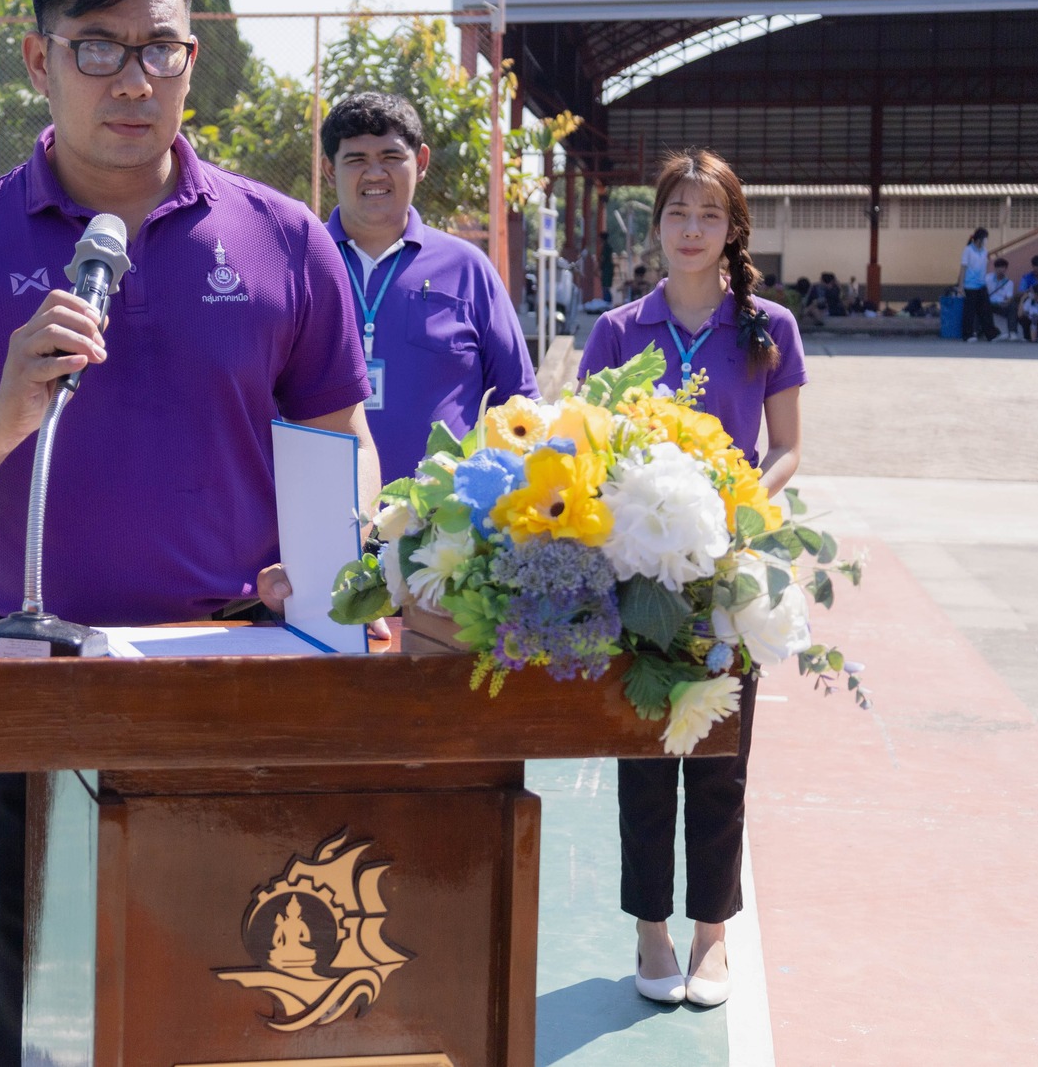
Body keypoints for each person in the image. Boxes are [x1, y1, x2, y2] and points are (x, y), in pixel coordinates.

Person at [0, 0, 376, 1066]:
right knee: (27, 1021)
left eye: (158, 49)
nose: (131, 80)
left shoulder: (283, 239)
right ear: (37, 59)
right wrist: (1, 416)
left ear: (192, 56)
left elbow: (340, 436)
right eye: (96, 46)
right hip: (23, 686)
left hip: (231, 675)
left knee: (238, 1005)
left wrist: (332, 564)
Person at [577, 149, 805, 1011]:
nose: (691, 230)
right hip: (637, 570)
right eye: (677, 212)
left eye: (709, 215)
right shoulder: (616, 329)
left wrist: (739, 501)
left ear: (731, 229)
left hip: (726, 570)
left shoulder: (768, 328)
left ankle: (713, 934)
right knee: (644, 752)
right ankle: (650, 928)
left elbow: (786, 447)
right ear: (656, 223)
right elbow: (589, 443)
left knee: (719, 758)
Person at [314, 91, 536, 482]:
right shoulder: (297, 264)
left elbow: (519, 402)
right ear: (330, 170)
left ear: (421, 162)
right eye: (356, 160)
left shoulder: (467, 269)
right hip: (321, 513)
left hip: (441, 527)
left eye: (391, 157)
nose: (375, 174)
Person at [957, 227, 995, 341]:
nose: (986, 241)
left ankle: (991, 334)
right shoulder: (968, 250)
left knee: (986, 311)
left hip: (982, 285)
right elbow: (963, 268)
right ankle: (967, 335)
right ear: (979, 239)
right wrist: (960, 286)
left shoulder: (985, 251)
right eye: (985, 238)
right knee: (969, 311)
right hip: (970, 286)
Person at [986, 257, 1016, 339]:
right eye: (998, 267)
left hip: (1001, 305)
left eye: (1003, 267)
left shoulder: (1009, 282)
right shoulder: (987, 278)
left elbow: (1009, 297)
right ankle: (975, 332)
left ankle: (1012, 332)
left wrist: (1006, 302)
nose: (1000, 269)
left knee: (1012, 305)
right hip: (988, 303)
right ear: (995, 268)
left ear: (1006, 269)